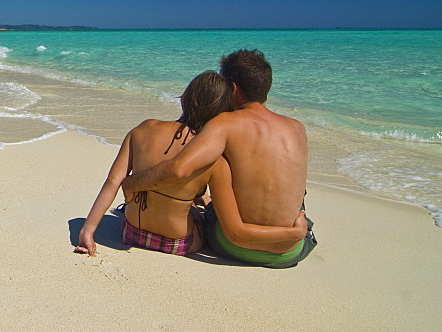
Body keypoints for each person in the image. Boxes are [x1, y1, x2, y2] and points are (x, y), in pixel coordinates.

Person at [75, 71, 307, 257]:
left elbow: (113, 181)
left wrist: (88, 230)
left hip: (130, 233)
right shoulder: (213, 159)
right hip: (180, 244)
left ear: (185, 98)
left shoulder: (142, 129)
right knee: (206, 208)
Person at [121, 49, 317, 268]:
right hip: (291, 252)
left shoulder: (225, 122)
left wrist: (131, 183)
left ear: (232, 89)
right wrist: (295, 232)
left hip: (234, 246)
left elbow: (179, 169)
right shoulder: (297, 128)